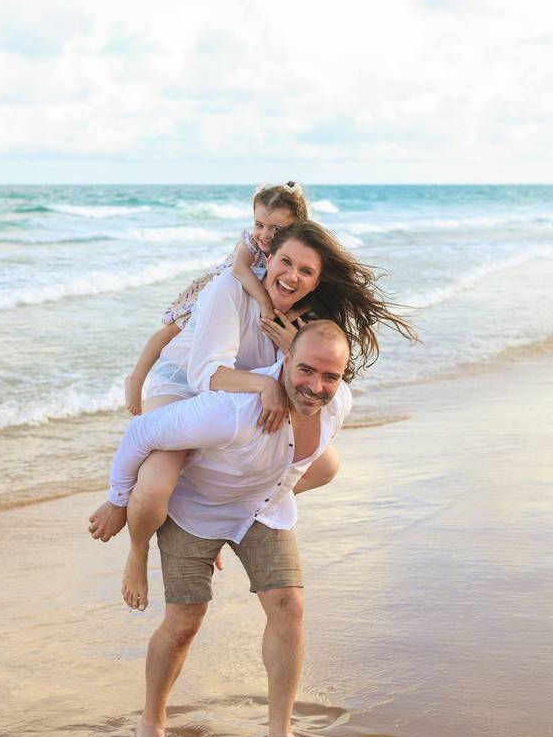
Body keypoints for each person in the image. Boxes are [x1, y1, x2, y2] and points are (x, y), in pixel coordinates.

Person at [89, 221, 418, 610]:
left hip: (234, 399)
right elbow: (202, 374)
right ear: (269, 256)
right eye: (285, 262)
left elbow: (303, 377)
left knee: (326, 465)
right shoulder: (230, 288)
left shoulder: (306, 314)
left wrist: (289, 347)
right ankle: (138, 552)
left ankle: (226, 513)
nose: (292, 276)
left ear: (316, 280)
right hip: (185, 384)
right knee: (157, 483)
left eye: (306, 271)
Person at [103, 321, 352, 737]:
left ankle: (279, 729)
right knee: (185, 621)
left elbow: (300, 464)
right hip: (194, 511)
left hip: (258, 509)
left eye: (330, 376)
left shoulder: (337, 405)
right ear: (285, 361)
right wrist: (117, 502)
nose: (317, 387)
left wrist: (267, 500)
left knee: (289, 607)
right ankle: (152, 720)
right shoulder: (231, 411)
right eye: (306, 371)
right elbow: (141, 433)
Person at [124, 182, 309, 416]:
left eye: (276, 228)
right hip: (219, 289)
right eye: (258, 225)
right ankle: (136, 379)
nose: (265, 234)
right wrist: (264, 303)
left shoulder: (296, 251)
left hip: (239, 298)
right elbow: (239, 270)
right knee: (173, 331)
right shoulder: (250, 243)